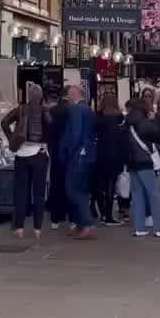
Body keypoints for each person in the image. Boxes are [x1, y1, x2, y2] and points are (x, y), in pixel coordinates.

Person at [2, 85, 51, 241]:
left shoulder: (21, 109)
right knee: (38, 193)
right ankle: (37, 229)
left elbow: (4, 122)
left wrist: (12, 139)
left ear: (29, 96)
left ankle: (19, 228)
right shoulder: (45, 111)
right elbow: (52, 128)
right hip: (39, 155)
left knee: (21, 192)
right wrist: (45, 144)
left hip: (21, 154)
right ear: (41, 96)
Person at [126, 92, 160, 237]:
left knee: (137, 195)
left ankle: (140, 228)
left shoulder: (126, 122)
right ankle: (159, 228)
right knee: (154, 194)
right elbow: (158, 136)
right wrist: (153, 120)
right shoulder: (144, 122)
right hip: (145, 161)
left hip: (132, 162)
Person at [60, 84, 97, 239]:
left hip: (77, 156)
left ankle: (85, 224)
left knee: (74, 190)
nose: (67, 98)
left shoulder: (75, 110)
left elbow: (75, 134)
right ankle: (81, 224)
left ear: (74, 94)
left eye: (68, 94)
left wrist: (68, 151)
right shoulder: (88, 109)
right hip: (87, 154)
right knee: (79, 188)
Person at [93, 92, 127, 226]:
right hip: (115, 154)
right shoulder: (119, 118)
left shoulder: (98, 117)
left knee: (100, 184)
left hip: (100, 154)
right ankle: (108, 216)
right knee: (111, 185)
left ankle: (102, 214)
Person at [46, 94, 68, 229]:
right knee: (67, 183)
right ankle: (65, 213)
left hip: (54, 149)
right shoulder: (71, 111)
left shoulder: (52, 111)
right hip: (67, 150)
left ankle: (55, 217)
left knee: (55, 183)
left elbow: (48, 129)